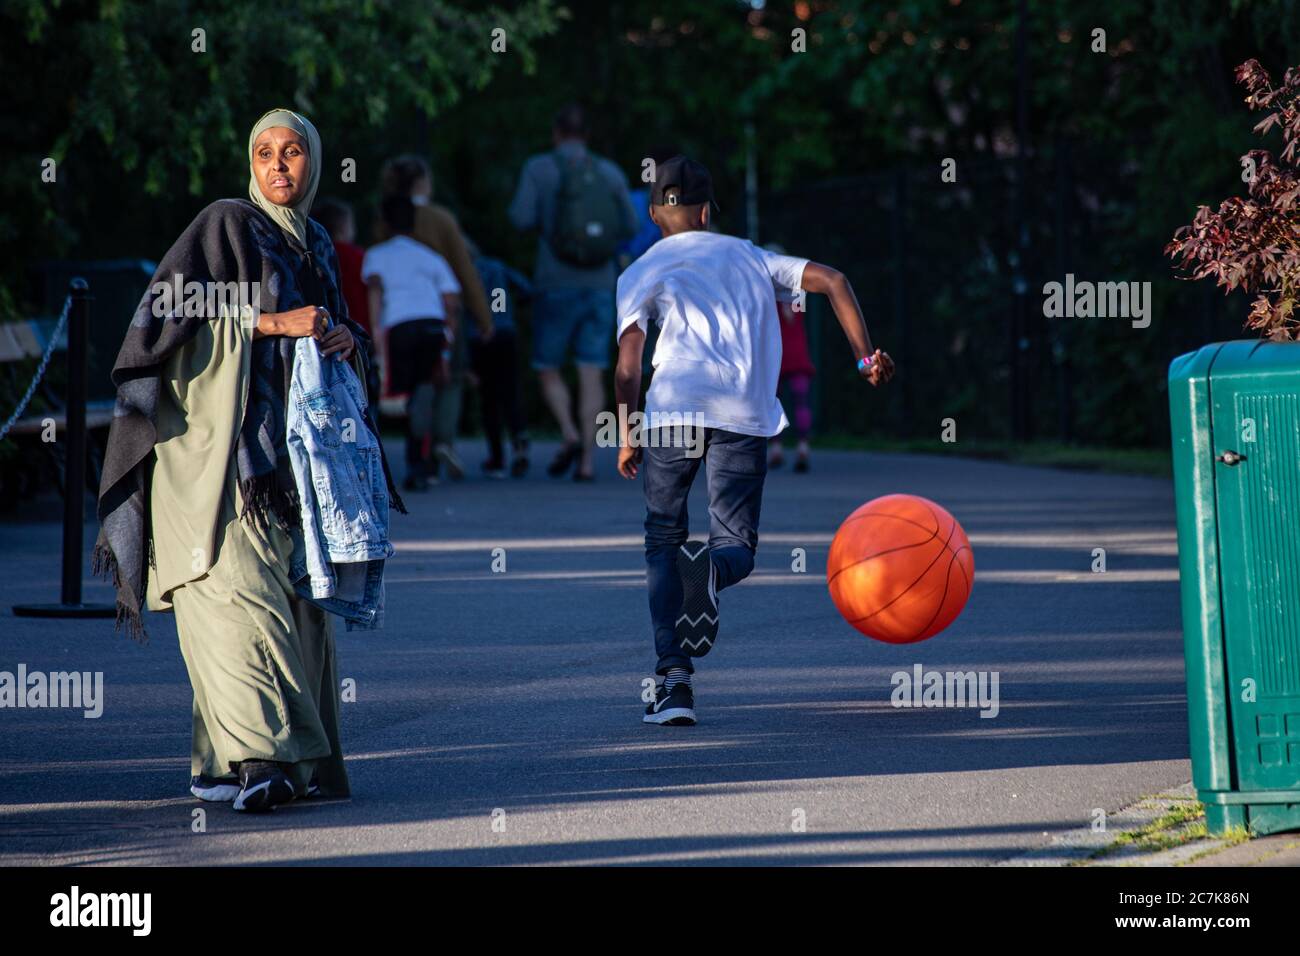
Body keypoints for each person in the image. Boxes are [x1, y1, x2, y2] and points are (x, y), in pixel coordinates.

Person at [94, 108, 396, 811]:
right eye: (264, 153)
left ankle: (218, 765)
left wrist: (346, 336)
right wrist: (265, 322)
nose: (279, 166)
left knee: (294, 610)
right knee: (237, 603)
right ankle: (263, 762)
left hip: (291, 469)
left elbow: (330, 333)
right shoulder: (227, 224)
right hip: (215, 459)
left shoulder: (315, 241)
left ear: (312, 163)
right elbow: (165, 311)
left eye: (292, 153)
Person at [612, 156, 895, 726]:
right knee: (734, 545)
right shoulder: (751, 255)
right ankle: (714, 573)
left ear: (653, 212)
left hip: (671, 413)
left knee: (662, 539)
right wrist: (866, 357)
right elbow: (834, 280)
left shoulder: (639, 269)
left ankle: (673, 684)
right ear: (708, 210)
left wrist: (626, 430)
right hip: (742, 414)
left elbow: (629, 361)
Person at [508, 103, 638, 482]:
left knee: (547, 367)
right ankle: (585, 462)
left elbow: (519, 217)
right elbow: (629, 225)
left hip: (554, 282)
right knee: (592, 371)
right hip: (601, 284)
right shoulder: (609, 171)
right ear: (587, 134)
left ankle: (568, 431)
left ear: (556, 133)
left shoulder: (539, 168)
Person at [379, 155, 494, 482]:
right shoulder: (440, 218)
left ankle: (420, 447)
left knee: (415, 383)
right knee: (449, 378)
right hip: (441, 313)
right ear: (423, 183)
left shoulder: (386, 219)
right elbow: (464, 269)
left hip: (396, 316)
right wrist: (484, 318)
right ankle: (442, 440)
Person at [363, 194, 462, 492]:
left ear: (383, 223)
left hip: (398, 328)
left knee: (390, 397)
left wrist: (377, 339)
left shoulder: (376, 255)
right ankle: (420, 466)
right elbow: (451, 303)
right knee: (422, 393)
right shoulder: (431, 257)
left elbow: (375, 295)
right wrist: (447, 342)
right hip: (432, 327)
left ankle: (375, 467)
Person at [466, 239, 532, 478]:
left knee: (488, 398)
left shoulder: (463, 271)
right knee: (511, 390)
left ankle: (497, 457)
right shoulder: (496, 266)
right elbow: (525, 287)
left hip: (478, 336)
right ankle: (520, 438)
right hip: (505, 331)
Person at [314, 197, 380, 402]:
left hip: (324, 335)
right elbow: (374, 293)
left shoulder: (315, 254)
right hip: (357, 335)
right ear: (343, 227)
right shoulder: (360, 257)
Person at [765, 244, 817, 472]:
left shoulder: (765, 292)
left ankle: (777, 447)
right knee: (800, 400)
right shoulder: (796, 291)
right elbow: (794, 315)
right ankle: (802, 446)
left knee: (772, 401)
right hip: (795, 352)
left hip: (775, 354)